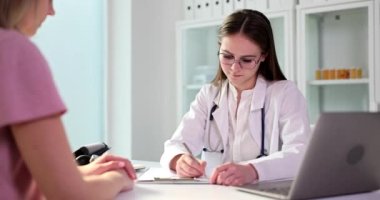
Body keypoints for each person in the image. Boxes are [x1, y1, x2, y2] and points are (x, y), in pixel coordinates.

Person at [0, 0, 136, 199]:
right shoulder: (13, 51)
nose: (51, 12)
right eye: (49, 1)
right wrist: (119, 179)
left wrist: (75, 174)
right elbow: (70, 196)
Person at [160, 9, 311, 186]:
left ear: (263, 56)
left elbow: (300, 154)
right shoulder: (209, 95)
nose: (234, 68)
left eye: (246, 60)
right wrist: (179, 160)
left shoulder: (285, 93)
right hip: (215, 193)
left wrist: (253, 171)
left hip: (265, 193)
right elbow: (176, 144)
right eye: (227, 56)